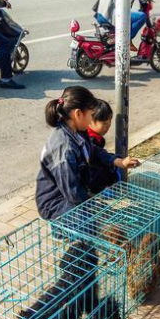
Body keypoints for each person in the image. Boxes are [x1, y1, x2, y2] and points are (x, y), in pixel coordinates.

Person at [35, 87, 140, 221]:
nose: (91, 118)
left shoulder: (77, 130)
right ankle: (61, 229)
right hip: (54, 203)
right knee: (92, 223)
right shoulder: (64, 148)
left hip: (69, 191)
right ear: (78, 114)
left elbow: (93, 150)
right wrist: (95, 207)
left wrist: (117, 161)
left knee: (96, 208)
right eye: (91, 114)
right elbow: (73, 193)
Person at [88, 99, 122, 194]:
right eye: (104, 124)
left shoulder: (95, 136)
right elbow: (97, 154)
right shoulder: (90, 139)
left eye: (109, 122)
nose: (108, 127)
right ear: (90, 121)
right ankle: (98, 189)